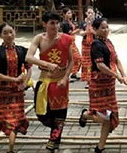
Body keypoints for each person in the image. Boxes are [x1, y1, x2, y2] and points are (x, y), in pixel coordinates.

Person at [78, 18, 127, 152]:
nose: (106, 30)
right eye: (102, 28)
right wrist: (117, 75)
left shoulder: (109, 42)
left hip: (109, 85)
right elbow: (100, 65)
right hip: (98, 84)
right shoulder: (95, 45)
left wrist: (123, 74)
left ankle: (100, 147)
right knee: (102, 117)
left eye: (107, 27)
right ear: (95, 30)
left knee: (110, 116)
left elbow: (116, 59)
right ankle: (85, 115)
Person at [26, 11, 74, 152]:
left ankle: (54, 140)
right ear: (44, 24)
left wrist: (65, 78)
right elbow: (29, 57)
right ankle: (55, 130)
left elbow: (71, 61)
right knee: (42, 114)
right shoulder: (39, 39)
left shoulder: (66, 38)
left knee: (60, 114)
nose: (55, 26)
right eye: (52, 23)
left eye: (57, 23)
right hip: (45, 81)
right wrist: (47, 64)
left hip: (60, 83)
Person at [0, 23, 32, 153]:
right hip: (2, 91)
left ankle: (11, 149)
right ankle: (11, 147)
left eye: (11, 32)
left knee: (15, 120)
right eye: (5, 33)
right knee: (2, 119)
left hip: (17, 91)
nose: (9, 35)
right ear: (0, 35)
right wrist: (14, 79)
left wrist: (25, 82)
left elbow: (29, 68)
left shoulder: (22, 50)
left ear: (15, 32)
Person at [61, 7, 82, 82]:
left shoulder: (69, 22)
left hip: (72, 42)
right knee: (76, 58)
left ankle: (73, 73)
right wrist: (79, 29)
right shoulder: (65, 23)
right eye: (68, 13)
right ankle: (69, 74)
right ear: (64, 14)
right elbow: (70, 33)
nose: (70, 14)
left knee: (75, 58)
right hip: (68, 42)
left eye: (70, 13)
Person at [78, 6, 96, 86]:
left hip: (94, 43)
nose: (90, 14)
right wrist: (87, 31)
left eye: (92, 13)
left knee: (94, 61)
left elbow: (99, 33)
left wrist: (92, 31)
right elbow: (81, 33)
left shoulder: (96, 22)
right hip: (85, 44)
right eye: (89, 13)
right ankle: (87, 80)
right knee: (86, 62)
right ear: (86, 13)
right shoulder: (83, 22)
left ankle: (93, 78)